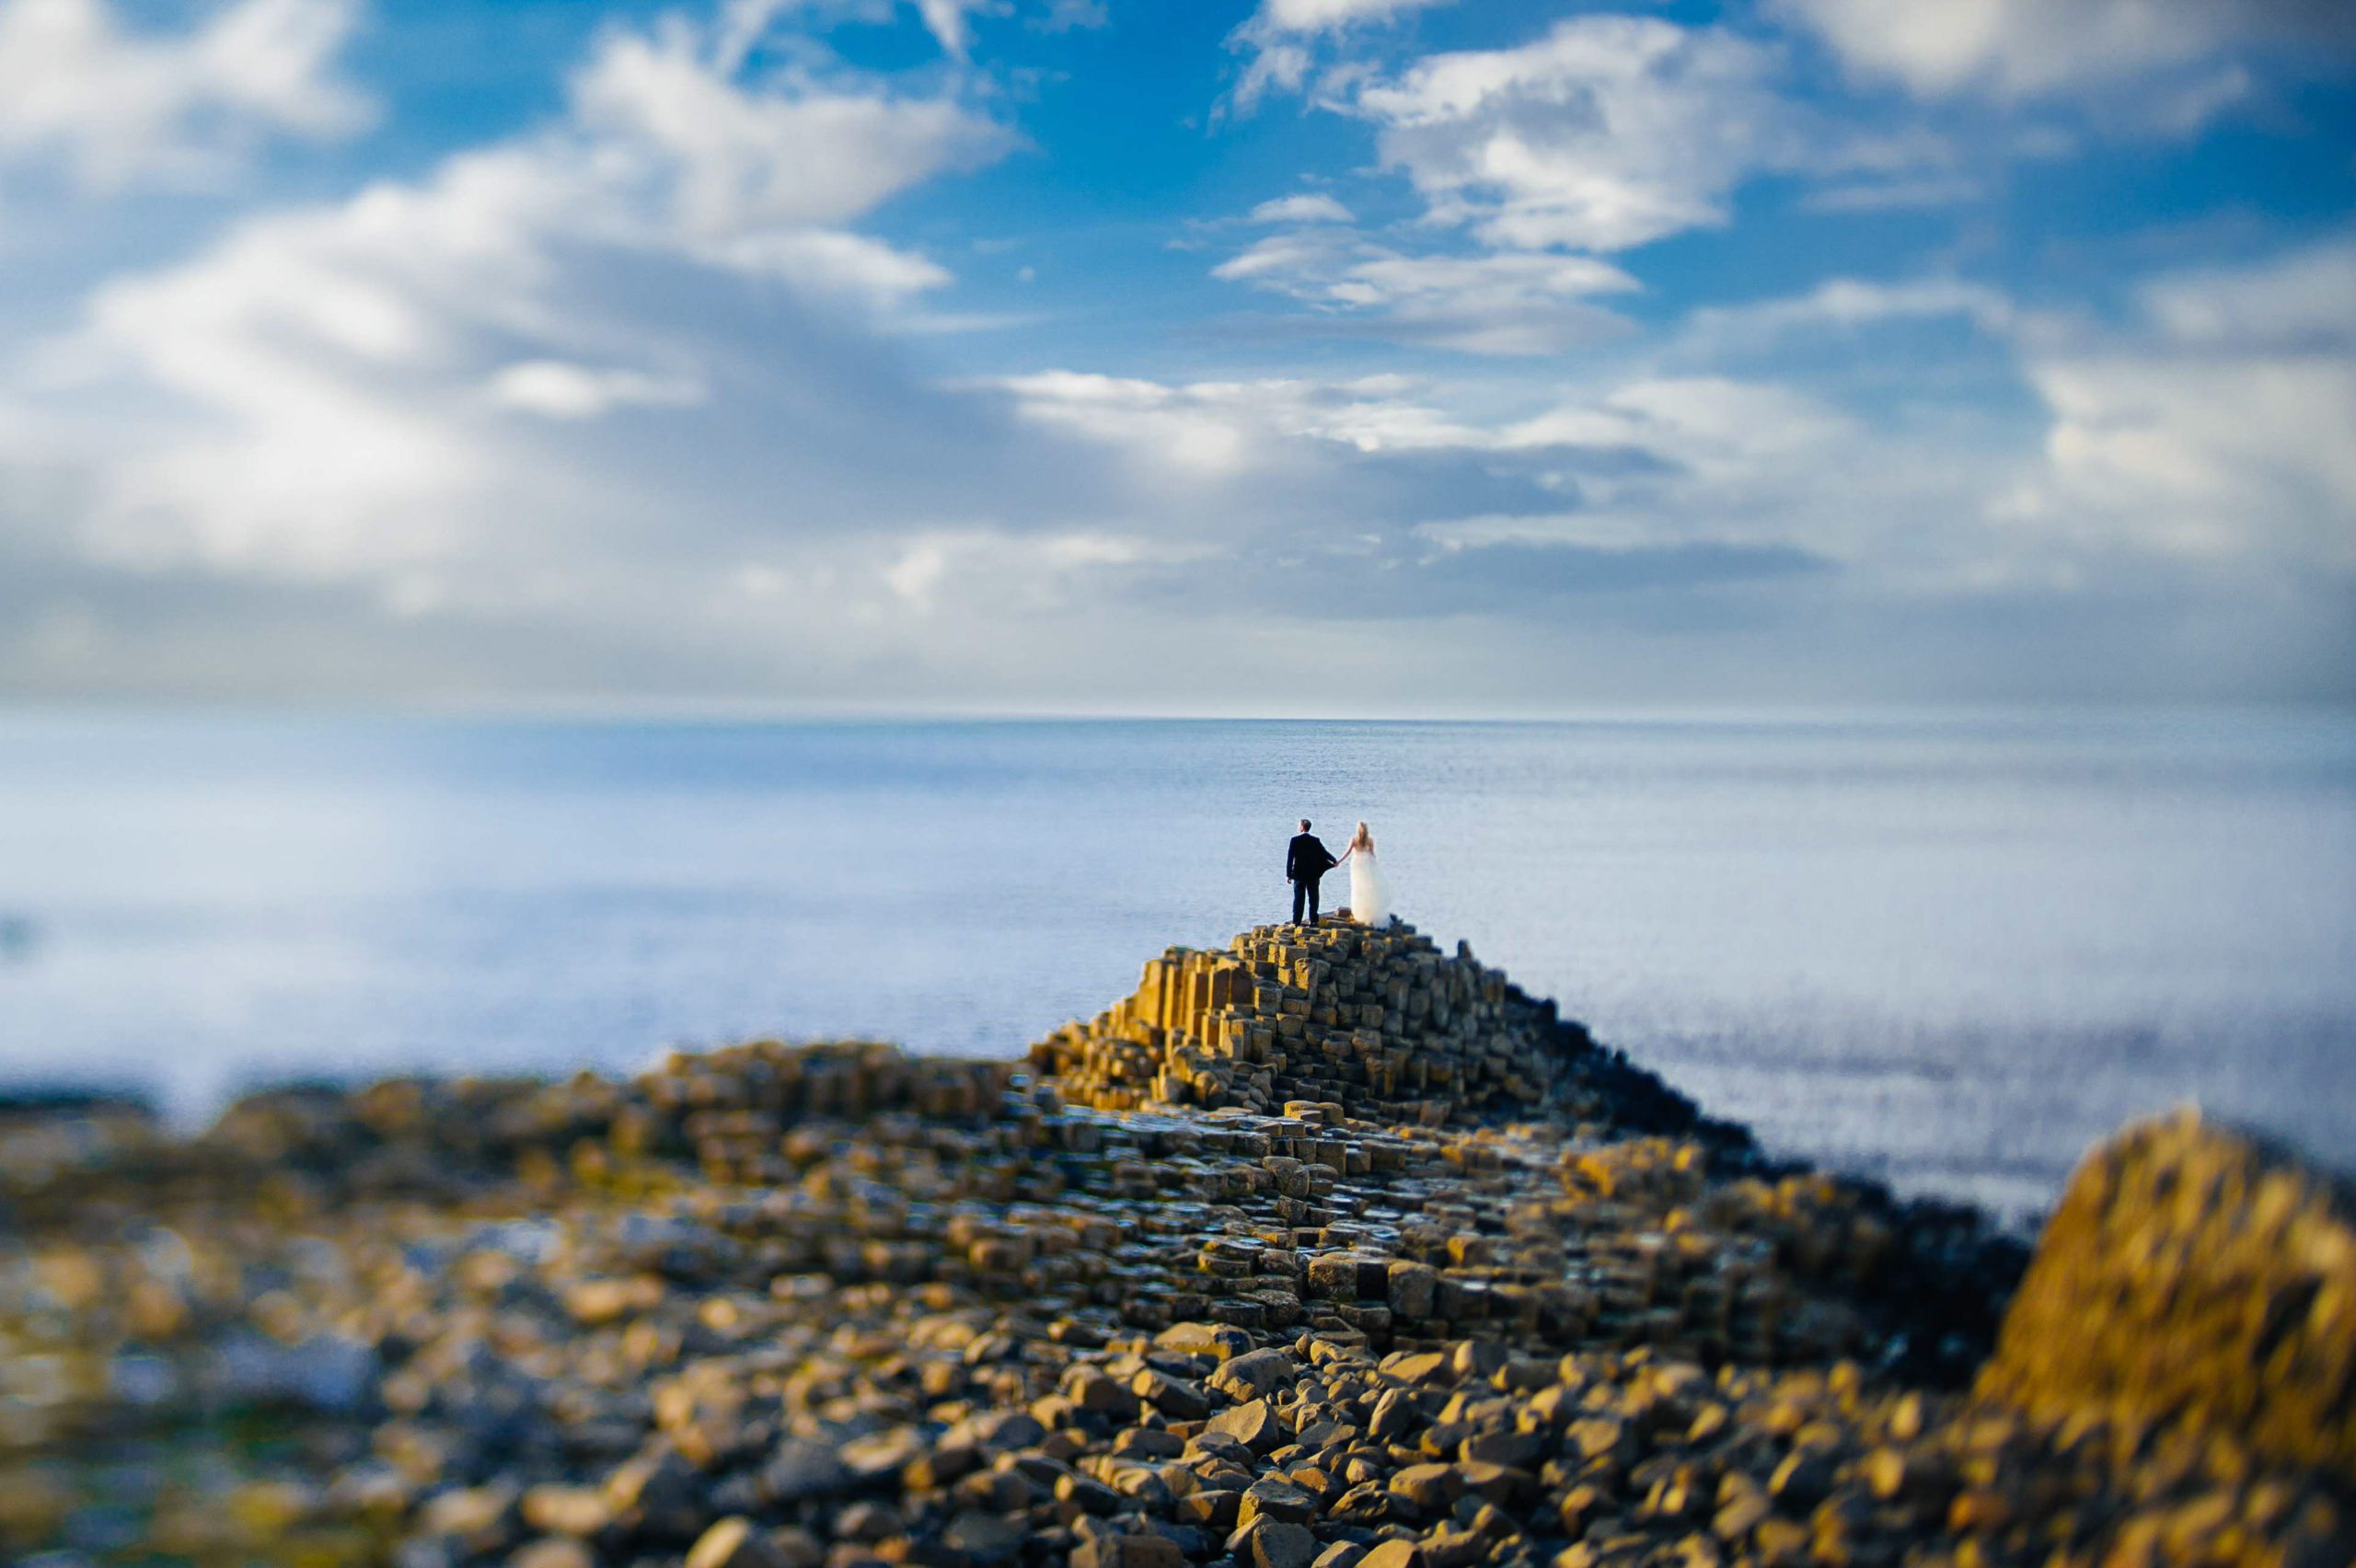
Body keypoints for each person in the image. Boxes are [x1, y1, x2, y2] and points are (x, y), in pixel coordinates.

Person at [1335, 820, 1391, 927]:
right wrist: (1376, 866)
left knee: (1357, 888)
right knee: (1367, 888)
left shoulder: (1354, 839)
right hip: (1366, 864)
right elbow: (1372, 854)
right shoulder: (1370, 840)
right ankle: (1368, 912)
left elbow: (1347, 852)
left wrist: (1339, 861)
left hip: (1356, 864)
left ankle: (1359, 913)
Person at [1285, 819, 1335, 926]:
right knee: (1313, 897)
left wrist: (1288, 874)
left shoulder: (1294, 840)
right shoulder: (1315, 840)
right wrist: (1334, 860)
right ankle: (1313, 920)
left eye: (1299, 826)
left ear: (1302, 827)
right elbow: (1324, 853)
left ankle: (1297, 921)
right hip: (1313, 874)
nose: (1298, 827)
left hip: (1299, 874)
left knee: (1299, 898)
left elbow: (1290, 858)